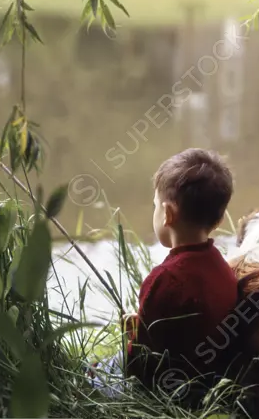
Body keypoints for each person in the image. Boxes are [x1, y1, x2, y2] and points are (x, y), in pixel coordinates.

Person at [88, 149, 239, 400]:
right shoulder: (222, 267)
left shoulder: (165, 279)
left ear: (167, 214)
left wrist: (132, 334)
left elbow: (141, 365)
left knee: (91, 373)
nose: (155, 211)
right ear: (220, 219)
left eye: (156, 205)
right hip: (208, 380)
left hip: (169, 391)